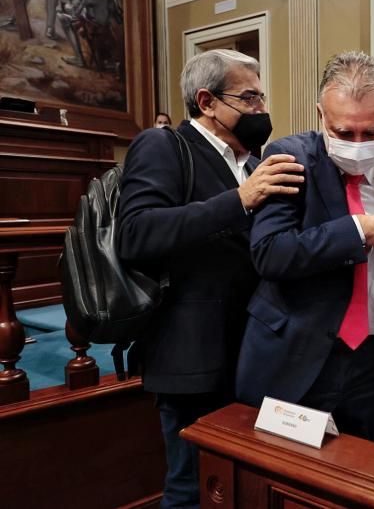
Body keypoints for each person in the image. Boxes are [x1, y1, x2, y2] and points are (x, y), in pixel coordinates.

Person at [116, 49, 305, 508]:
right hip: (191, 356)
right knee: (191, 487)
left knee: (241, 483)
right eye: (250, 98)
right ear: (206, 101)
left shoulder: (256, 160)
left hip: (252, 350)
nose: (262, 110)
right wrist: (238, 200)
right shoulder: (162, 146)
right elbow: (136, 233)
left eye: (262, 98)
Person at [236, 51, 374, 446]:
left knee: (370, 469)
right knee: (291, 479)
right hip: (299, 353)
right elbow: (270, 253)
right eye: (344, 133)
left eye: (372, 132)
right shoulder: (289, 159)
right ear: (320, 115)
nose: (359, 144)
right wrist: (355, 231)